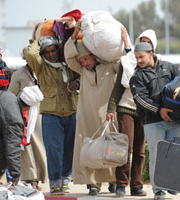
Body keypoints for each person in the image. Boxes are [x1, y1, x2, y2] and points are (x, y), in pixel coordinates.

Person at [64, 22, 129, 196]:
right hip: (86, 114)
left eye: (86, 59)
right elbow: (69, 57)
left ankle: (114, 180)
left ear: (94, 55)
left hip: (108, 114)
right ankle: (93, 184)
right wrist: (75, 33)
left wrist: (125, 41)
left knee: (111, 147)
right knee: (89, 147)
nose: (83, 63)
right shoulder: (82, 70)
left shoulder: (110, 66)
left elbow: (126, 65)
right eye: (82, 60)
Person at [23, 36, 80, 195]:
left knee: (69, 149)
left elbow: (81, 75)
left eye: (53, 50)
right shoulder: (40, 67)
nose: (51, 54)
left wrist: (76, 83)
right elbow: (30, 54)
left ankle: (65, 180)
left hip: (71, 111)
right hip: (51, 114)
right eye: (46, 52)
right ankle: (55, 183)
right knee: (54, 150)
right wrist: (40, 39)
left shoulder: (68, 64)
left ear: (58, 49)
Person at [105, 29, 158, 197]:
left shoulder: (159, 65)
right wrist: (110, 108)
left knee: (140, 150)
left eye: (148, 42)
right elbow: (118, 87)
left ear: (153, 47)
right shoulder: (128, 62)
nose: (144, 44)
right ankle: (121, 183)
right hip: (125, 108)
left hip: (145, 112)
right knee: (124, 148)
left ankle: (136, 185)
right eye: (141, 41)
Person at [130, 42, 180, 200]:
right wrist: (159, 110)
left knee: (175, 153)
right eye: (136, 57)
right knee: (157, 155)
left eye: (141, 57)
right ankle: (159, 191)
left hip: (175, 120)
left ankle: (172, 184)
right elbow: (141, 100)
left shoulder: (168, 67)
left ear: (151, 53)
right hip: (153, 122)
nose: (139, 60)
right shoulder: (137, 77)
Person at [8, 64, 47, 190]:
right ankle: (31, 180)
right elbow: (11, 94)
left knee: (39, 148)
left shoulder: (44, 71)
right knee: (26, 147)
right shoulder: (19, 74)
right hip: (23, 115)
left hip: (39, 115)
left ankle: (38, 177)